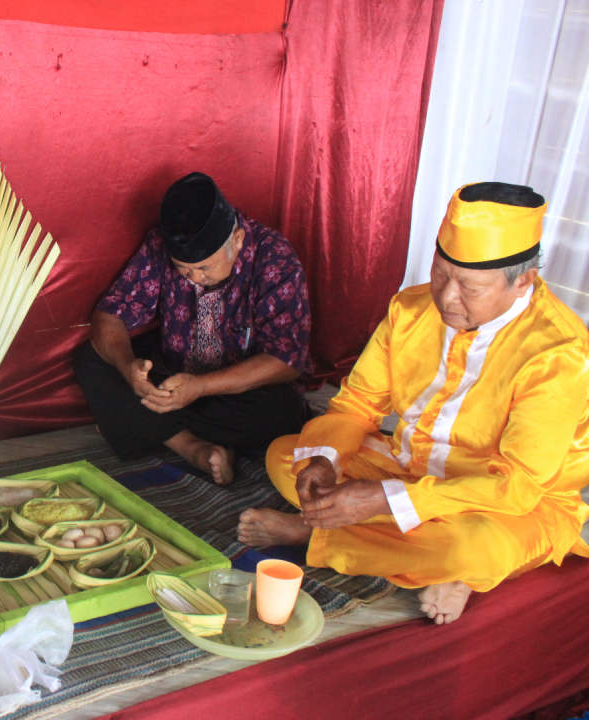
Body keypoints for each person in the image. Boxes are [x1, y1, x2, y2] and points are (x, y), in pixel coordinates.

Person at [238, 182, 589, 625]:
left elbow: (517, 486)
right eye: (441, 273)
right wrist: (325, 461)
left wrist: (384, 501)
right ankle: (431, 563)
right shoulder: (410, 309)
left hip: (505, 503)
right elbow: (357, 402)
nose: (446, 297)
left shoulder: (558, 354)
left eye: (469, 287)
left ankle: (316, 536)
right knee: (289, 456)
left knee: (474, 548)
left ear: (523, 281)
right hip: (409, 466)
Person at [75, 172, 312, 485]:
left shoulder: (274, 260)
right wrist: (128, 368)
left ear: (237, 240)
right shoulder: (159, 245)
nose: (194, 278)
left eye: (204, 267)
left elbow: (286, 360)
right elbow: (109, 316)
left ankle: (134, 423)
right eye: (183, 268)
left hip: (238, 393)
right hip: (173, 378)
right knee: (92, 359)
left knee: (282, 411)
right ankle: (190, 447)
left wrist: (201, 387)